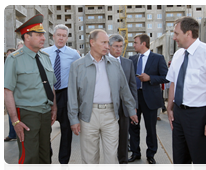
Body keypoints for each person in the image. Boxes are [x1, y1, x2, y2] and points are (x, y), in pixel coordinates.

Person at [67, 29, 138, 170]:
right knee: (90, 157)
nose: (108, 46)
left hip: (111, 115)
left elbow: (124, 89)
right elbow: (72, 95)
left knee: (112, 156)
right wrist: (73, 119)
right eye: (104, 42)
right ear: (92, 43)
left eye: (108, 43)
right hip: (88, 116)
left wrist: (131, 109)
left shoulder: (115, 64)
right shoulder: (78, 66)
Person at [166, 17, 206, 170]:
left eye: (176, 33)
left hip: (198, 116)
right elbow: (173, 82)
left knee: (200, 161)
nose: (174, 37)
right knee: (179, 160)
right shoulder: (179, 55)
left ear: (188, 33)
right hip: (178, 114)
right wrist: (169, 108)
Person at [4, 14, 57, 170]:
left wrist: (54, 108)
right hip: (27, 114)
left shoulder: (45, 57)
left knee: (45, 155)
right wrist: (14, 121)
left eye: (43, 34)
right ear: (27, 36)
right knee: (29, 158)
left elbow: (51, 85)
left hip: (45, 112)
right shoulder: (14, 59)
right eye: (38, 34)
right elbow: (7, 91)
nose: (43, 37)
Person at [42, 24, 80, 170]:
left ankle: (64, 162)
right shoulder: (44, 53)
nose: (61, 38)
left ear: (67, 37)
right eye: (59, 35)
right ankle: (47, 156)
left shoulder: (74, 54)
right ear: (53, 36)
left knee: (66, 130)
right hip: (46, 93)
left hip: (65, 94)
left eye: (64, 35)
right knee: (45, 128)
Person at [128, 33, 169, 166]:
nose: (133, 45)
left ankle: (151, 154)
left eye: (135, 42)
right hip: (135, 98)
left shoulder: (158, 58)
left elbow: (165, 77)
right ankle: (135, 152)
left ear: (143, 44)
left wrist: (150, 78)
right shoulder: (132, 59)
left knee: (150, 128)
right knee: (133, 127)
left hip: (150, 98)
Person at [108, 34, 138, 170]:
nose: (119, 49)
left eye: (121, 46)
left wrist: (134, 107)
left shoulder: (128, 63)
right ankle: (110, 163)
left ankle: (123, 163)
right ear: (109, 47)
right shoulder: (103, 62)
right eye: (116, 46)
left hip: (124, 107)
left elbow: (133, 86)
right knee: (109, 137)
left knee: (124, 137)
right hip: (108, 107)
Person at [4, 48, 17, 142]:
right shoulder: (5, 66)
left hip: (16, 95)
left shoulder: (17, 65)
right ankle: (12, 134)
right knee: (10, 115)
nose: (9, 56)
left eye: (11, 54)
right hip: (7, 95)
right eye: (8, 55)